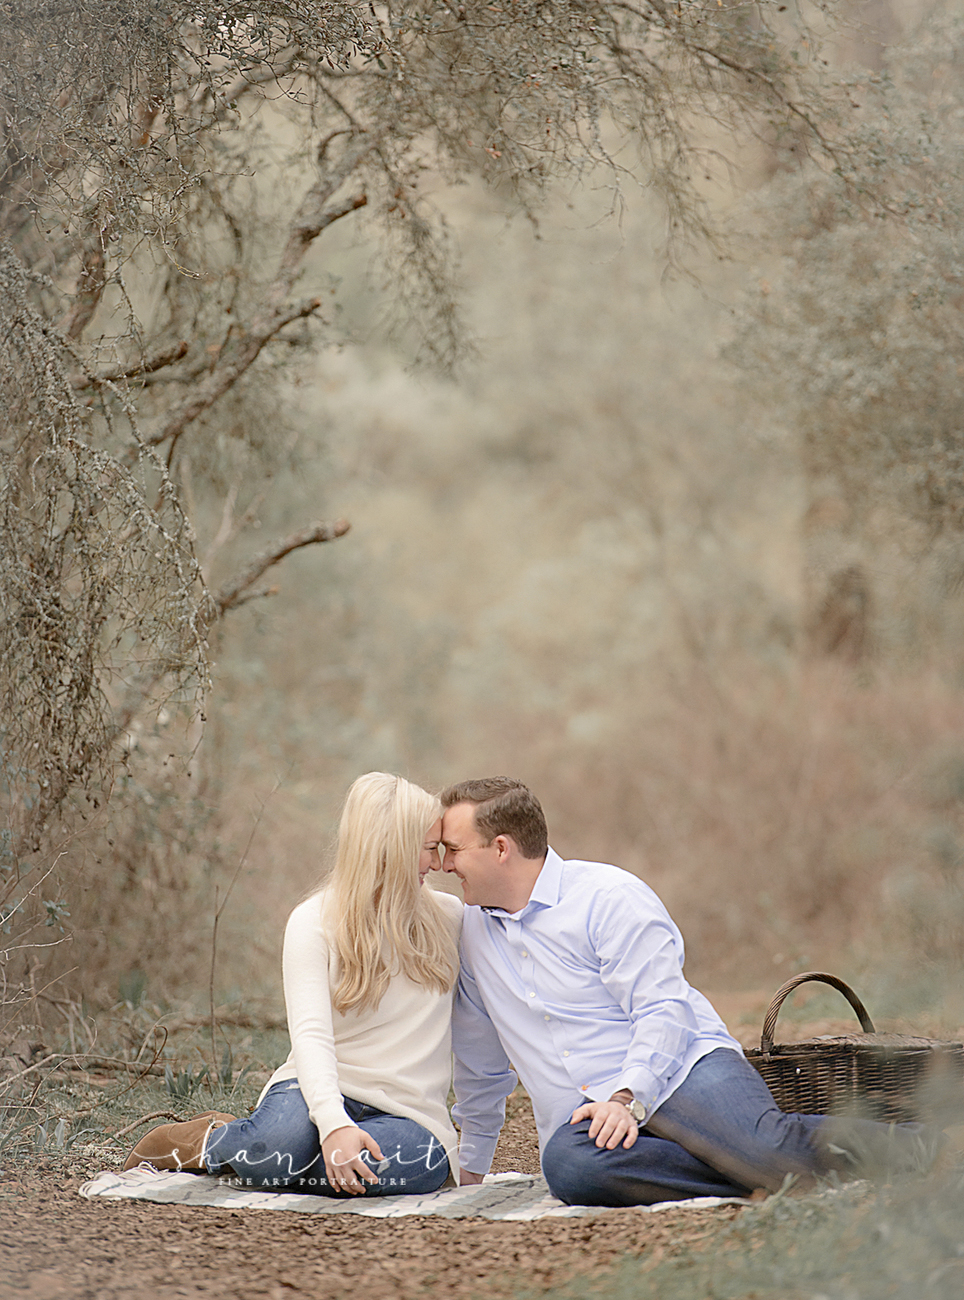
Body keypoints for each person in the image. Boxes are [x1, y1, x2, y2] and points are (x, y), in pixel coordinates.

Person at [440, 776, 938, 1206]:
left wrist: (627, 1096)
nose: (445, 865)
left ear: (500, 848)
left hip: (680, 1068)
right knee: (570, 1169)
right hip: (587, 1118)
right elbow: (480, 1061)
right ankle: (755, 1175)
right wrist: (473, 1168)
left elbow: (662, 1010)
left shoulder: (607, 898)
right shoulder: (474, 935)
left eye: (454, 849)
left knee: (764, 1146)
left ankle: (931, 1149)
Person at [124, 772, 462, 1197]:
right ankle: (209, 1141)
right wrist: (334, 1122)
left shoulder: (451, 918)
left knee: (416, 1168)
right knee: (275, 1151)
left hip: (409, 1112)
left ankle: (280, 1157)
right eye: (430, 849)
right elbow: (311, 1034)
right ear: (390, 848)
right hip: (318, 1088)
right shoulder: (314, 920)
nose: (437, 864)